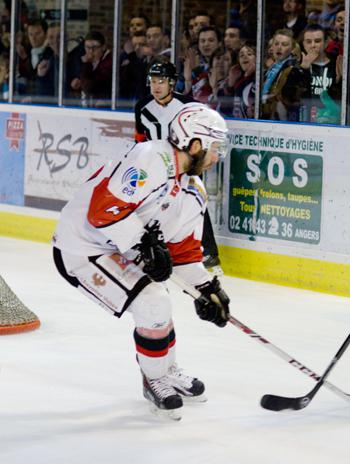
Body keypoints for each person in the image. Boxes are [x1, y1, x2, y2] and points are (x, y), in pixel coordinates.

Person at [52, 105, 231, 420]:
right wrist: (144, 241)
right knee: (153, 301)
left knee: (159, 301)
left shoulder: (194, 191)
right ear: (195, 144)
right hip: (82, 246)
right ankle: (154, 378)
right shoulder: (151, 159)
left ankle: (166, 370)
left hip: (118, 247)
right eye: (215, 148)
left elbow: (183, 253)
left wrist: (207, 288)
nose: (217, 157)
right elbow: (102, 211)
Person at [134, 62, 223, 275]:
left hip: (185, 164)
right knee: (154, 207)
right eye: (153, 81)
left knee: (194, 206)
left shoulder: (189, 105)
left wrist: (199, 160)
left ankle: (209, 254)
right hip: (157, 167)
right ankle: (155, 251)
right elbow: (140, 138)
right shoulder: (142, 106)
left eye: (161, 81)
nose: (156, 86)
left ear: (172, 83)